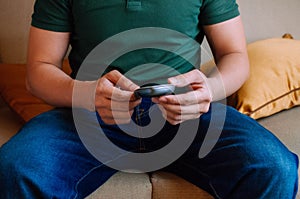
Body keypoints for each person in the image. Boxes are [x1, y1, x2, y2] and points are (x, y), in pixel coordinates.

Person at [0, 0, 298, 198]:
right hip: (90, 113)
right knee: (16, 168)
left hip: (186, 115)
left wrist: (209, 89)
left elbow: (235, 56)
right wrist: (88, 93)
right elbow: (38, 73)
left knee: (274, 168)